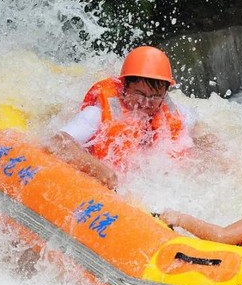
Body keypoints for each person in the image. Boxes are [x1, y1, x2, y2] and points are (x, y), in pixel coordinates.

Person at [48, 46, 197, 190]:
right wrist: (98, 169)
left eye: (155, 96)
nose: (146, 102)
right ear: (125, 86)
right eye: (140, 94)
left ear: (164, 94)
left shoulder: (171, 113)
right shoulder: (96, 114)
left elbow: (199, 126)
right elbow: (57, 142)